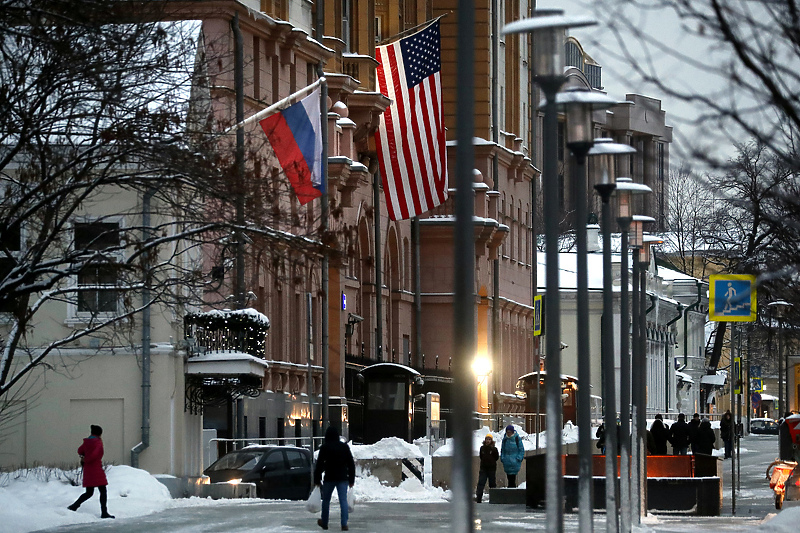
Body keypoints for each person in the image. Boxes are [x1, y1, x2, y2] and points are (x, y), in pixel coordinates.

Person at [314, 425, 356, 531]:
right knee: (343, 501)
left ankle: (324, 522)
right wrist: (351, 479)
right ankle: (344, 524)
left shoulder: (324, 447)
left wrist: (317, 479)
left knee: (326, 501)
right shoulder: (344, 447)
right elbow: (351, 463)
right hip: (342, 478)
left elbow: (319, 464)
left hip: (329, 477)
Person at [68, 425, 114, 519]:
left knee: (89, 492)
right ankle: (104, 512)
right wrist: (88, 459)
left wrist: (84, 458)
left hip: (88, 470)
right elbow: (95, 454)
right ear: (100, 433)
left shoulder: (87, 442)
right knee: (103, 490)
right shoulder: (98, 442)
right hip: (96, 469)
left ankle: (74, 506)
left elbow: (79, 450)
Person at [475, 433, 499, 503]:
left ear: (491, 440)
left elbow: (496, 457)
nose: (488, 441)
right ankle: (479, 498)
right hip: (483, 468)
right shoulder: (482, 448)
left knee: (492, 484)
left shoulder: (494, 449)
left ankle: (493, 499)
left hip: (491, 469)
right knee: (481, 483)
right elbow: (481, 456)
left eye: (489, 439)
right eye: (487, 439)